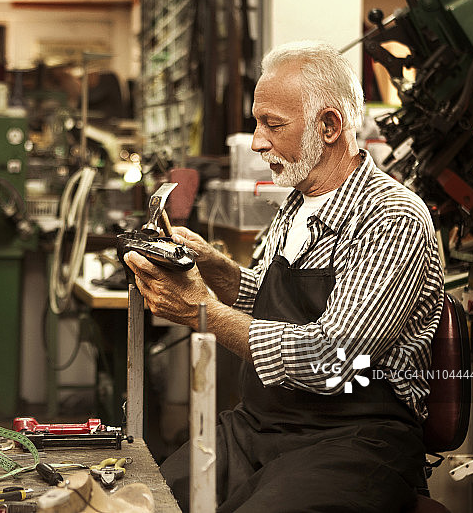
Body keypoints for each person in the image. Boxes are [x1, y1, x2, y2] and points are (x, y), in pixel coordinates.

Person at [123, 40, 444, 513]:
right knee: (145, 504)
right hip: (256, 429)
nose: (256, 141)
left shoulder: (392, 216)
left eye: (272, 124)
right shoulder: (294, 202)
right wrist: (214, 265)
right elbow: (270, 304)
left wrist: (203, 313)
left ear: (329, 125)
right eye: (257, 123)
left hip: (353, 441)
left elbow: (331, 356)